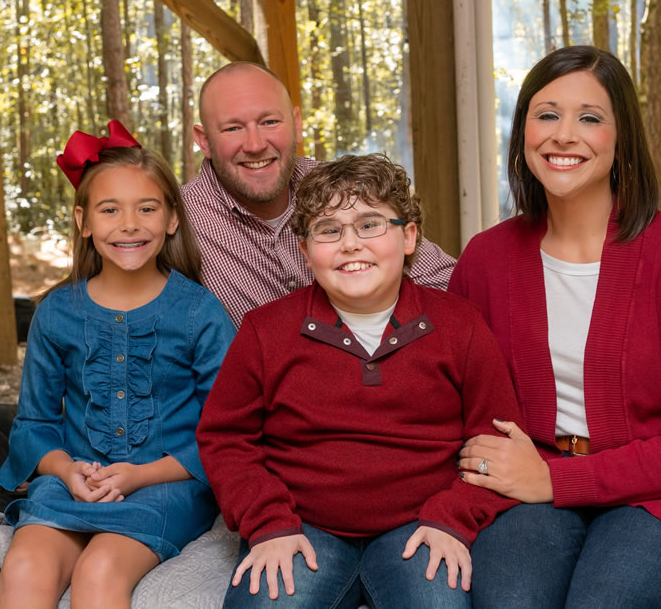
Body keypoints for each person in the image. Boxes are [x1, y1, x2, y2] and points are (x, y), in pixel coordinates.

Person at [448, 46, 661, 607]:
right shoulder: (485, 260)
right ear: (523, 135)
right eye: (546, 114)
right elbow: (455, 406)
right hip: (527, 493)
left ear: (620, 138)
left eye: (589, 117)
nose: (564, 135)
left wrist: (557, 482)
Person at [196, 153, 520, 608]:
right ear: (306, 250)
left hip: (421, 526)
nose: (350, 244)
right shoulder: (264, 330)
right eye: (329, 230)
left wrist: (454, 517)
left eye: (370, 224)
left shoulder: (460, 324)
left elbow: (494, 437)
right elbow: (225, 439)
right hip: (300, 526)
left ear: (408, 237)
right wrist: (266, 522)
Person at [0, 121, 235, 609]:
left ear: (171, 219)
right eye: (110, 210)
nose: (129, 224)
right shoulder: (56, 312)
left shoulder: (199, 312)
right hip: (71, 487)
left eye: (147, 208)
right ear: (83, 221)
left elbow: (227, 428)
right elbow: (34, 422)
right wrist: (65, 470)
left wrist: (138, 476)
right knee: (23, 566)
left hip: (164, 488)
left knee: (99, 569)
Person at [183, 61, 456, 327]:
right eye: (233, 128)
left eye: (269, 122)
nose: (255, 145)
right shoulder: (177, 220)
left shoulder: (342, 187)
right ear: (204, 140)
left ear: (297, 123)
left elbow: (445, 284)